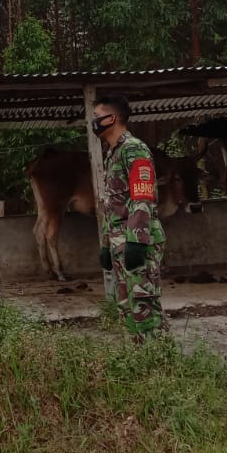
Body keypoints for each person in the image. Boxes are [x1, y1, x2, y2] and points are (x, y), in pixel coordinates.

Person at [92, 95, 166, 341]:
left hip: (137, 241)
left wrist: (136, 240)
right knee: (127, 305)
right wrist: (105, 244)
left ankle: (158, 361)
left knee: (143, 304)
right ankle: (140, 358)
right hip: (119, 242)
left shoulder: (134, 148)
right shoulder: (113, 153)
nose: (94, 123)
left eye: (97, 117)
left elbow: (141, 197)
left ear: (112, 118)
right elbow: (111, 205)